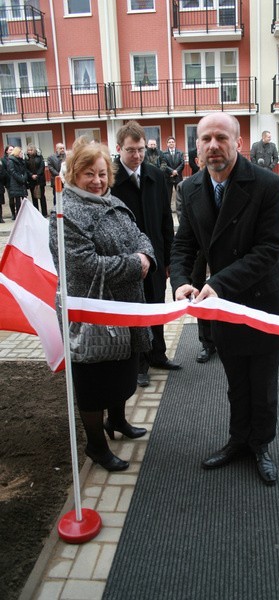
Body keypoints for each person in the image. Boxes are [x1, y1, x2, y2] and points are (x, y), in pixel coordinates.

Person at [170, 112, 279, 486]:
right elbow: (184, 243)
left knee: (263, 385)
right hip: (219, 305)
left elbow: (269, 249)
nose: (213, 146)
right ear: (197, 147)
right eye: (205, 139)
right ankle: (238, 440)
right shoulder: (190, 188)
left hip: (261, 301)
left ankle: (260, 445)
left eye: (221, 138)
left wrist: (220, 283)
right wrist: (180, 281)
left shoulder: (267, 185)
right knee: (236, 382)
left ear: (238, 143)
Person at [49, 141, 156, 472]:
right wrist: (135, 266)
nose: (96, 180)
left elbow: (139, 234)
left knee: (123, 370)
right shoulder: (66, 213)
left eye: (101, 173)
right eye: (88, 174)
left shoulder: (112, 200)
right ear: (73, 174)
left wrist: (145, 255)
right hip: (92, 313)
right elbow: (83, 264)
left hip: (124, 307)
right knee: (94, 383)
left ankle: (118, 422)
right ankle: (96, 445)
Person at [111, 120, 180, 388]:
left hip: (156, 257)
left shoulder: (155, 175)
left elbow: (166, 218)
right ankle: (139, 364)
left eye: (140, 149)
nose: (137, 155)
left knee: (156, 307)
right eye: (131, 150)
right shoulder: (112, 180)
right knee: (136, 313)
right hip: (127, 261)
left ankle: (158, 354)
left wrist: (168, 258)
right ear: (119, 148)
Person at [175, 154, 216, 363]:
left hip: (220, 253)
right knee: (200, 293)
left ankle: (223, 337)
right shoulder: (186, 187)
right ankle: (206, 343)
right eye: (200, 157)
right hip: (199, 251)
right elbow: (184, 217)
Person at [25, 144, 48, 217]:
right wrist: (31, 175)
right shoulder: (26, 159)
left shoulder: (39, 157)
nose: (30, 152)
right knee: (34, 197)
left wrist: (37, 175)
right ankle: (36, 213)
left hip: (40, 180)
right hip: (31, 180)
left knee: (42, 197)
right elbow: (25, 169)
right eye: (28, 150)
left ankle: (44, 213)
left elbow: (42, 167)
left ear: (34, 150)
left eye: (31, 150)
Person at [161, 136, 185, 204]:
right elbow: (164, 164)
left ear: (175, 143)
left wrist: (176, 171)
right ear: (167, 144)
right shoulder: (164, 154)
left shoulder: (180, 153)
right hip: (168, 177)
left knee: (179, 195)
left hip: (178, 177)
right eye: (169, 142)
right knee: (168, 195)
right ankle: (169, 211)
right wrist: (172, 171)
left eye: (172, 142)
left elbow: (182, 163)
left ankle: (179, 209)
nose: (171, 143)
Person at [8, 146, 28, 220]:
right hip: (16, 183)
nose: (21, 154)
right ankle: (19, 216)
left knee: (24, 199)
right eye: (20, 152)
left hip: (22, 182)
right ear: (17, 152)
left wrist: (24, 177)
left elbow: (25, 170)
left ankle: (25, 215)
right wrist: (20, 178)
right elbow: (12, 172)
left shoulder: (22, 161)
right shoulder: (11, 161)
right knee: (17, 201)